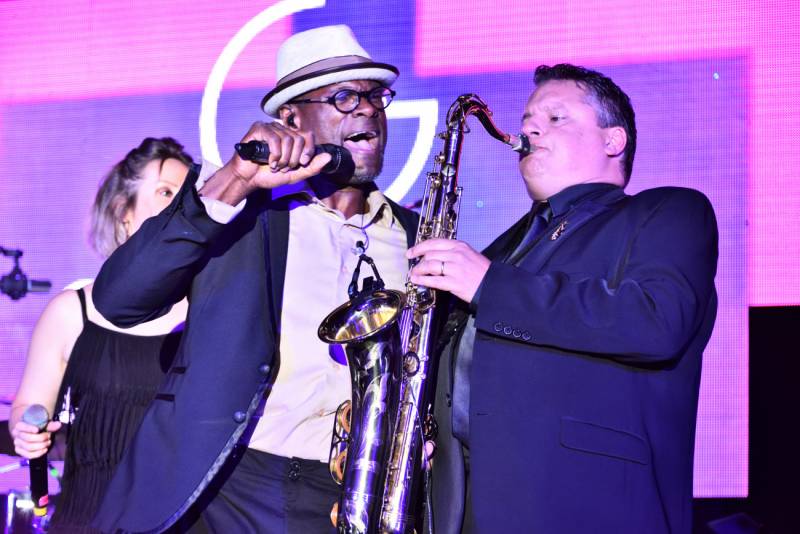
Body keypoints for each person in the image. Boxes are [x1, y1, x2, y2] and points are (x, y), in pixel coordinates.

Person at [91, 25, 419, 533]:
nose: (368, 109)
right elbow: (119, 300)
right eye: (345, 96)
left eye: (377, 96)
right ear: (290, 118)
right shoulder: (238, 213)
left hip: (352, 497)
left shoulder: (414, 236)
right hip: (227, 489)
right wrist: (235, 179)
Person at [409, 64, 718, 533]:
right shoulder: (500, 252)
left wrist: (491, 286)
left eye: (555, 118)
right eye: (529, 118)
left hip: (589, 508)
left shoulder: (667, 211)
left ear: (613, 141)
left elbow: (657, 322)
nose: (529, 127)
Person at [9, 137, 193, 532]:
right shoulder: (70, 311)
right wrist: (26, 429)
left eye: (187, 195)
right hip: (89, 514)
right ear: (123, 213)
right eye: (164, 192)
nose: (180, 205)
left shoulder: (208, 309)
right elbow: (28, 406)